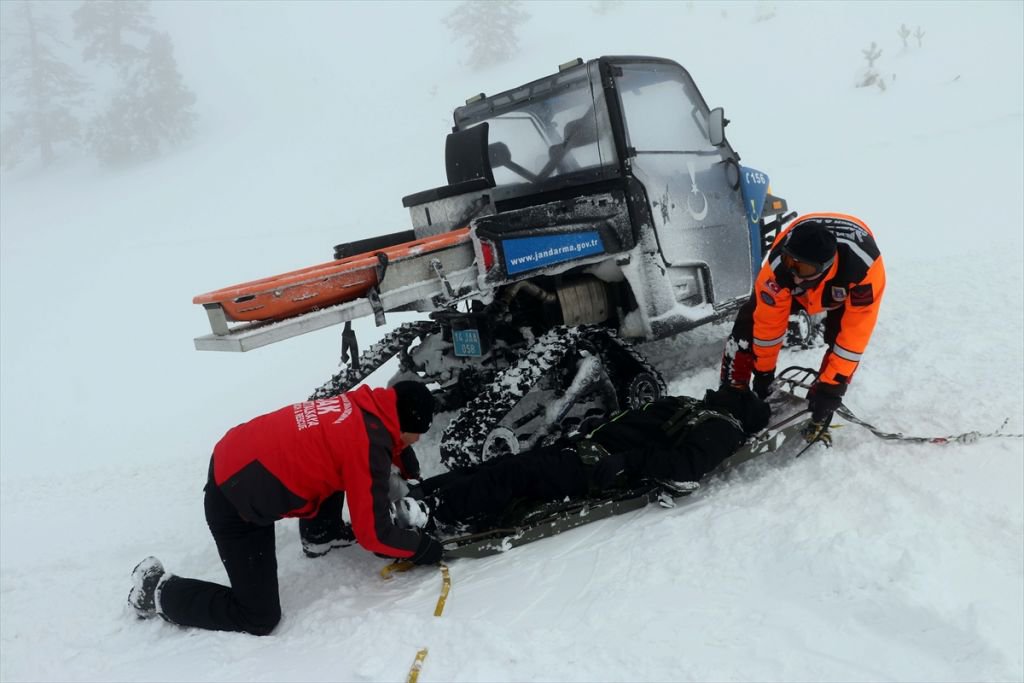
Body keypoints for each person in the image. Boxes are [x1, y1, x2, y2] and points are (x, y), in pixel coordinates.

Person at [127, 381, 443, 636]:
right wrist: (423, 549)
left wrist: (406, 466)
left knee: (336, 462)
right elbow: (374, 535)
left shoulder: (363, 405)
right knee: (259, 617)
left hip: (238, 456)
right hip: (237, 503)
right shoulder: (367, 444)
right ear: (405, 425)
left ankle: (321, 534)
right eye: (417, 434)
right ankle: (157, 590)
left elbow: (381, 444)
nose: (416, 439)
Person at [398, 386, 770, 533]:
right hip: (587, 447)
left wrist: (629, 461)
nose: (723, 389)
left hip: (601, 465)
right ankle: (423, 493)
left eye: (732, 392)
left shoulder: (721, 428)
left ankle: (436, 511)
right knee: (498, 467)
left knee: (514, 474)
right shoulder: (696, 408)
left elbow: (686, 467)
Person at [720, 212, 886, 432]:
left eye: (805, 269)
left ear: (826, 265)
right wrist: (763, 374)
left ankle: (820, 395)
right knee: (748, 322)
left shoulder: (863, 270)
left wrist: (831, 388)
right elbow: (768, 326)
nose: (796, 276)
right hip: (798, 284)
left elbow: (853, 339)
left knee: (838, 337)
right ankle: (733, 390)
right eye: (792, 263)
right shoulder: (778, 269)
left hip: (839, 287)